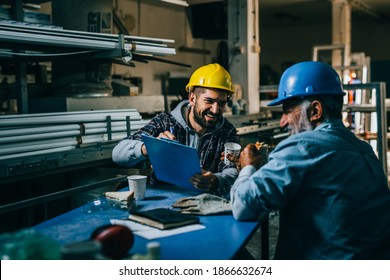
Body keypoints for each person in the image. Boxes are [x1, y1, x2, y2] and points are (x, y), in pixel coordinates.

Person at [230, 61, 390, 259]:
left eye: (288, 110)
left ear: (315, 110)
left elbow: (242, 207)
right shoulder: (364, 150)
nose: (283, 121)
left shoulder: (302, 146)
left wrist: (248, 167)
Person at [112, 63, 239, 198]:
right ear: (192, 98)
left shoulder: (227, 131)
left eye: (221, 103)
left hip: (203, 203)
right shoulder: (165, 122)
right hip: (160, 200)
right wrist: (149, 147)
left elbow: (231, 170)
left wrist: (215, 181)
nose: (215, 110)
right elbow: (118, 154)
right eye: (209, 101)